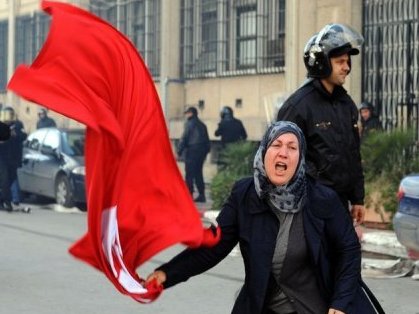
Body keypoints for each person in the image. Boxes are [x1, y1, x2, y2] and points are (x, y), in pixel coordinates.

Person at [146, 121, 384, 314]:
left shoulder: (322, 199)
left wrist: (340, 303)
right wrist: (167, 273)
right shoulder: (244, 195)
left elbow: (348, 250)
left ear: (300, 159)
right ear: (264, 151)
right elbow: (214, 245)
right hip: (264, 307)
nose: (283, 152)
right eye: (276, 144)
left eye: (292, 147)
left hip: (318, 306)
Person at [276, 23, 365, 224]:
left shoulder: (346, 104)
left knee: (346, 255)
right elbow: (281, 160)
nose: (347, 67)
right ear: (321, 63)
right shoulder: (298, 106)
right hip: (309, 206)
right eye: (340, 62)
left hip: (340, 205)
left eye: (347, 61)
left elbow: (353, 154)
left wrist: (357, 198)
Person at [177, 106, 210, 203]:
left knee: (189, 174)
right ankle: (202, 195)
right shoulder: (202, 125)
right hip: (201, 151)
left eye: (187, 113)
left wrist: (179, 151)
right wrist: (205, 152)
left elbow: (184, 138)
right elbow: (207, 141)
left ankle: (188, 195)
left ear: (191, 113)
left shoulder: (189, 124)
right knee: (198, 173)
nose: (186, 115)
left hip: (192, 150)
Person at [0, 107, 27, 211]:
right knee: (5, 179)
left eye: (9, 115)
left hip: (13, 157)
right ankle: (7, 202)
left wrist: (16, 134)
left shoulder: (18, 125)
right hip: (2, 157)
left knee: (11, 179)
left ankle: (2, 199)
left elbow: (24, 136)